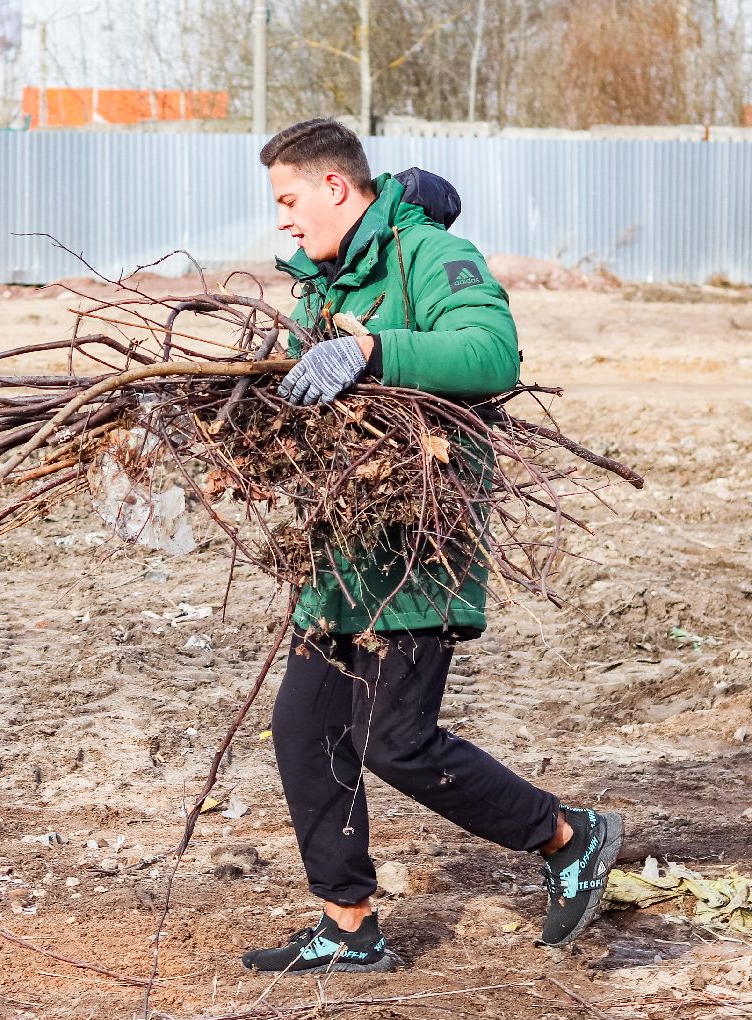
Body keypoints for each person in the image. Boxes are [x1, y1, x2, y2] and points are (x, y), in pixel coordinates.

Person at [240, 118, 623, 976]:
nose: (284, 222)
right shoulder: (316, 285)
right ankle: (348, 926)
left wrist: (373, 351)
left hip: (420, 543)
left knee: (394, 738)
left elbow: (491, 353)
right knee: (304, 730)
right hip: (341, 547)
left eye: (290, 200)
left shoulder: (428, 256)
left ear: (337, 187)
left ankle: (568, 836)